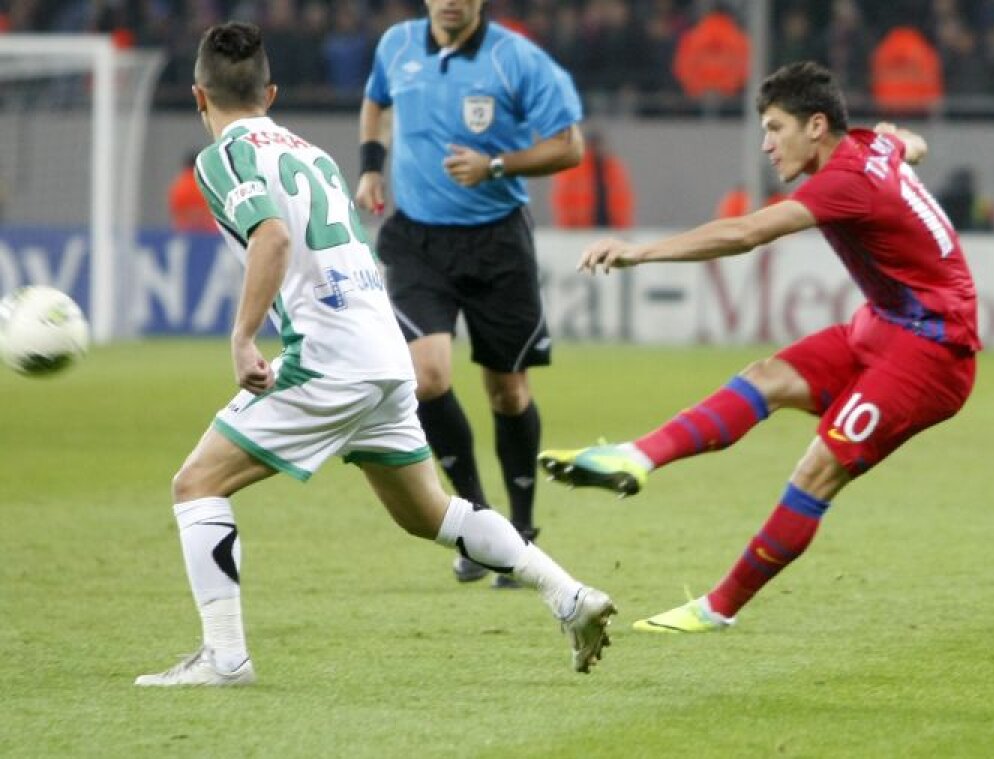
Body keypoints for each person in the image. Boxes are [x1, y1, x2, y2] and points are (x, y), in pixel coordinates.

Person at [135, 21, 614, 687]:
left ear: (197, 96)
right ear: (270, 92)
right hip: (383, 352)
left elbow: (271, 239)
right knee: (429, 512)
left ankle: (224, 657)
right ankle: (569, 593)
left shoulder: (222, 156)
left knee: (196, 484)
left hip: (325, 357)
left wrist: (243, 336)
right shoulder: (311, 152)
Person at [539, 61, 979, 634]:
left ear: (816, 126)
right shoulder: (873, 146)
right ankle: (636, 457)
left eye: (775, 128)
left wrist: (641, 252)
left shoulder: (849, 178)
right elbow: (905, 141)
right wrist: (909, 145)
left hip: (931, 352)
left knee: (817, 470)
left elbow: (745, 234)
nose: (768, 146)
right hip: (885, 324)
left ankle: (718, 608)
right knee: (767, 376)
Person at [356, 0, 584, 588]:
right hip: (418, 240)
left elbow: (569, 146)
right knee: (426, 377)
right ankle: (481, 525)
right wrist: (372, 167)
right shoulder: (397, 47)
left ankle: (524, 528)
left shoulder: (518, 60)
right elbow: (376, 99)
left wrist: (497, 164)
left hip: (498, 244)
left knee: (507, 392)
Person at [550, 129, 635, 229]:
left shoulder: (612, 168)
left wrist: (622, 225)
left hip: (610, 227)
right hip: (581, 228)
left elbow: (623, 198)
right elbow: (562, 200)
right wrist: (567, 227)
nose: (596, 149)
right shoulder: (572, 169)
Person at [168, 150, 218, 233]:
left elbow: (175, 210)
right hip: (208, 232)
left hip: (185, 231)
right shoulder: (205, 181)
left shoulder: (179, 186)